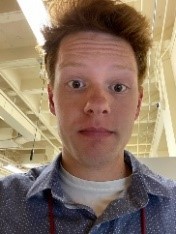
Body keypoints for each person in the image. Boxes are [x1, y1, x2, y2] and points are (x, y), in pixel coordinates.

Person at [0, 0, 176, 233]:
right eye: (76, 83)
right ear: (52, 99)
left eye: (118, 87)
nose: (97, 104)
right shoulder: (5, 204)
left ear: (138, 103)